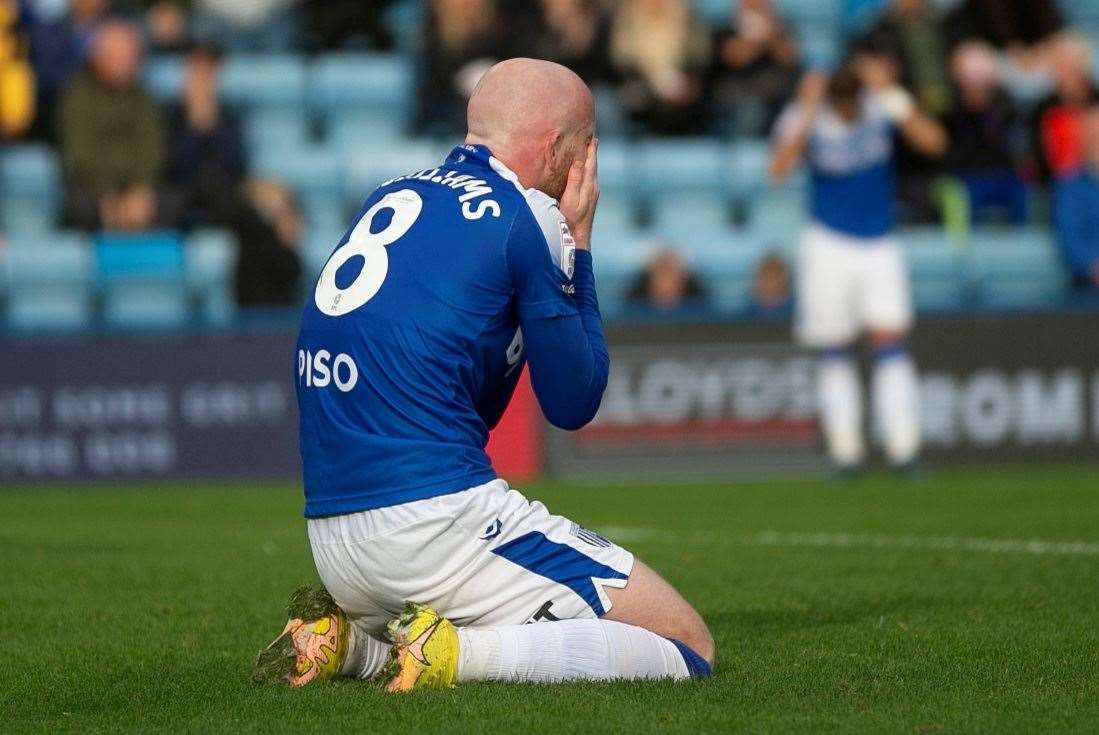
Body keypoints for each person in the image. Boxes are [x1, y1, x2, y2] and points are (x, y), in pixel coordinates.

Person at [253, 58, 714, 692]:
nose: (587, 171)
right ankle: (452, 656)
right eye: (586, 151)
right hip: (431, 524)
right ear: (555, 150)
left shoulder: (391, 193)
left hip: (332, 541)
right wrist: (579, 238)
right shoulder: (529, 216)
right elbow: (574, 400)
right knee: (683, 643)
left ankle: (352, 644)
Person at [770, 57, 948, 474]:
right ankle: (845, 452)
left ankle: (904, 450)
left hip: (879, 241)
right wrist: (810, 108)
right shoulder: (808, 113)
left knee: (891, 342)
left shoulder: (882, 105)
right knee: (834, 347)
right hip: (828, 241)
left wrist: (890, 93)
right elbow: (778, 168)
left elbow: (935, 143)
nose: (850, 109)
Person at [57, 18, 169, 231]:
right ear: (97, 56)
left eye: (128, 54)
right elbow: (79, 155)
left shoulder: (143, 97)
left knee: (176, 199)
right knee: (79, 204)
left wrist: (140, 189)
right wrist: (108, 196)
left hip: (137, 192)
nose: (123, 60)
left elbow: (152, 149)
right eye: (116, 53)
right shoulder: (77, 96)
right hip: (93, 190)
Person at [942, 40, 1027, 224]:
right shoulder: (950, 110)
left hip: (1004, 175)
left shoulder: (1005, 106)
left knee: (1023, 190)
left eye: (981, 80)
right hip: (966, 178)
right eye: (971, 79)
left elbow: (1015, 148)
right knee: (960, 194)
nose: (977, 87)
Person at [609, 0, 711, 136]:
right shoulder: (627, 18)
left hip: (682, 85)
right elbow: (621, 58)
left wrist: (688, 80)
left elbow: (700, 54)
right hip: (641, 85)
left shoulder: (688, 16)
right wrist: (651, 83)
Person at [710, 0, 800, 136]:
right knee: (751, 112)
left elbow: (791, 59)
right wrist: (758, 38)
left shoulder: (779, 30)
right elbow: (735, 58)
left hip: (774, 94)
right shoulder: (726, 29)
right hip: (737, 96)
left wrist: (773, 35)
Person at [414, 0, 502, 137]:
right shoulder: (425, 42)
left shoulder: (509, 34)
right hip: (444, 126)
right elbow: (426, 109)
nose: (465, 3)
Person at [1031, 33, 1099, 182]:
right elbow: (1041, 158)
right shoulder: (1043, 109)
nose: (1068, 71)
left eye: (1073, 64)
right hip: (1061, 182)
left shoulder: (1096, 100)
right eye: (1061, 65)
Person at [1051, 106, 1099, 292]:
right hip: (1087, 286)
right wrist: (1093, 266)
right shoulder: (1069, 187)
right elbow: (1070, 240)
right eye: (1092, 136)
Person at [626, 247, 710, 316]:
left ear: (683, 280)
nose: (666, 283)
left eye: (671, 274)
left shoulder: (702, 314)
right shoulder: (630, 315)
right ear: (649, 280)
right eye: (661, 274)